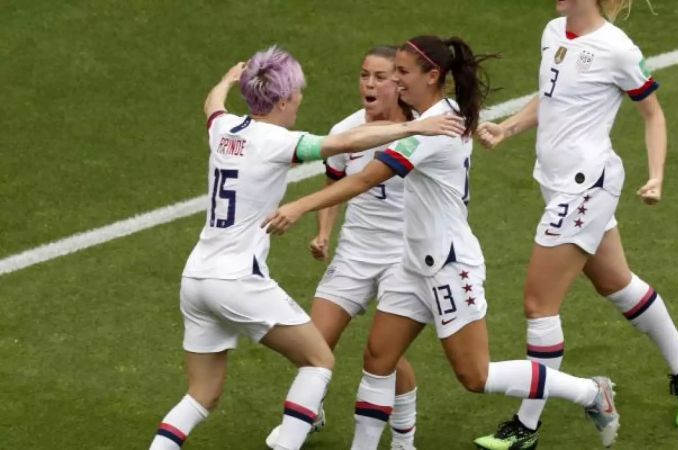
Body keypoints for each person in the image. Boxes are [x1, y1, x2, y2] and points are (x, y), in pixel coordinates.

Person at [263, 35, 621, 450]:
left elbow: (365, 179)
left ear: (432, 76)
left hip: (449, 267)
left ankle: (591, 393)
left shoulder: (438, 127)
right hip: (413, 264)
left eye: (401, 73)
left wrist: (299, 206)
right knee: (378, 361)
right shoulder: (427, 117)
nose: (392, 82)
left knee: (476, 376)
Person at [148, 46, 464, 450]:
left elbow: (212, 104)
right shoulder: (279, 142)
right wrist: (411, 129)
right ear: (282, 100)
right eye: (297, 94)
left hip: (195, 279)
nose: (299, 100)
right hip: (237, 281)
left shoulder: (223, 128)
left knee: (200, 395)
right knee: (319, 361)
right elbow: (346, 141)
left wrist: (226, 82)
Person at [471, 1, 678, 448]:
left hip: (585, 187)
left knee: (539, 304)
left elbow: (653, 114)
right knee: (616, 282)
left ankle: (527, 425)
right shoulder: (552, 31)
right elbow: (550, 95)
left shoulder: (618, 49)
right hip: (554, 181)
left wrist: (656, 175)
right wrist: (509, 128)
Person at [264, 46, 420, 450]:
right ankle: (310, 412)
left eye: (380, 77)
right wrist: (324, 233)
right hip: (356, 252)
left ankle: (404, 441)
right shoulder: (346, 131)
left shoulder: (422, 130)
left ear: (399, 84)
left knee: (384, 355)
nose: (368, 84)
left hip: (405, 257)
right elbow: (334, 183)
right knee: (313, 343)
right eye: (364, 75)